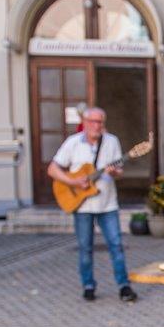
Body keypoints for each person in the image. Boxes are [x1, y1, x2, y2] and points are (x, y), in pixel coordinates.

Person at [46, 107, 137, 302]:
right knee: (85, 248)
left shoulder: (111, 141)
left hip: (107, 204)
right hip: (83, 206)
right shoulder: (73, 143)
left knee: (116, 246)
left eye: (100, 122)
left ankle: (124, 286)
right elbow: (52, 169)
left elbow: (118, 170)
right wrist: (73, 182)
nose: (97, 126)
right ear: (85, 123)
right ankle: (88, 286)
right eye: (93, 122)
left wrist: (115, 172)